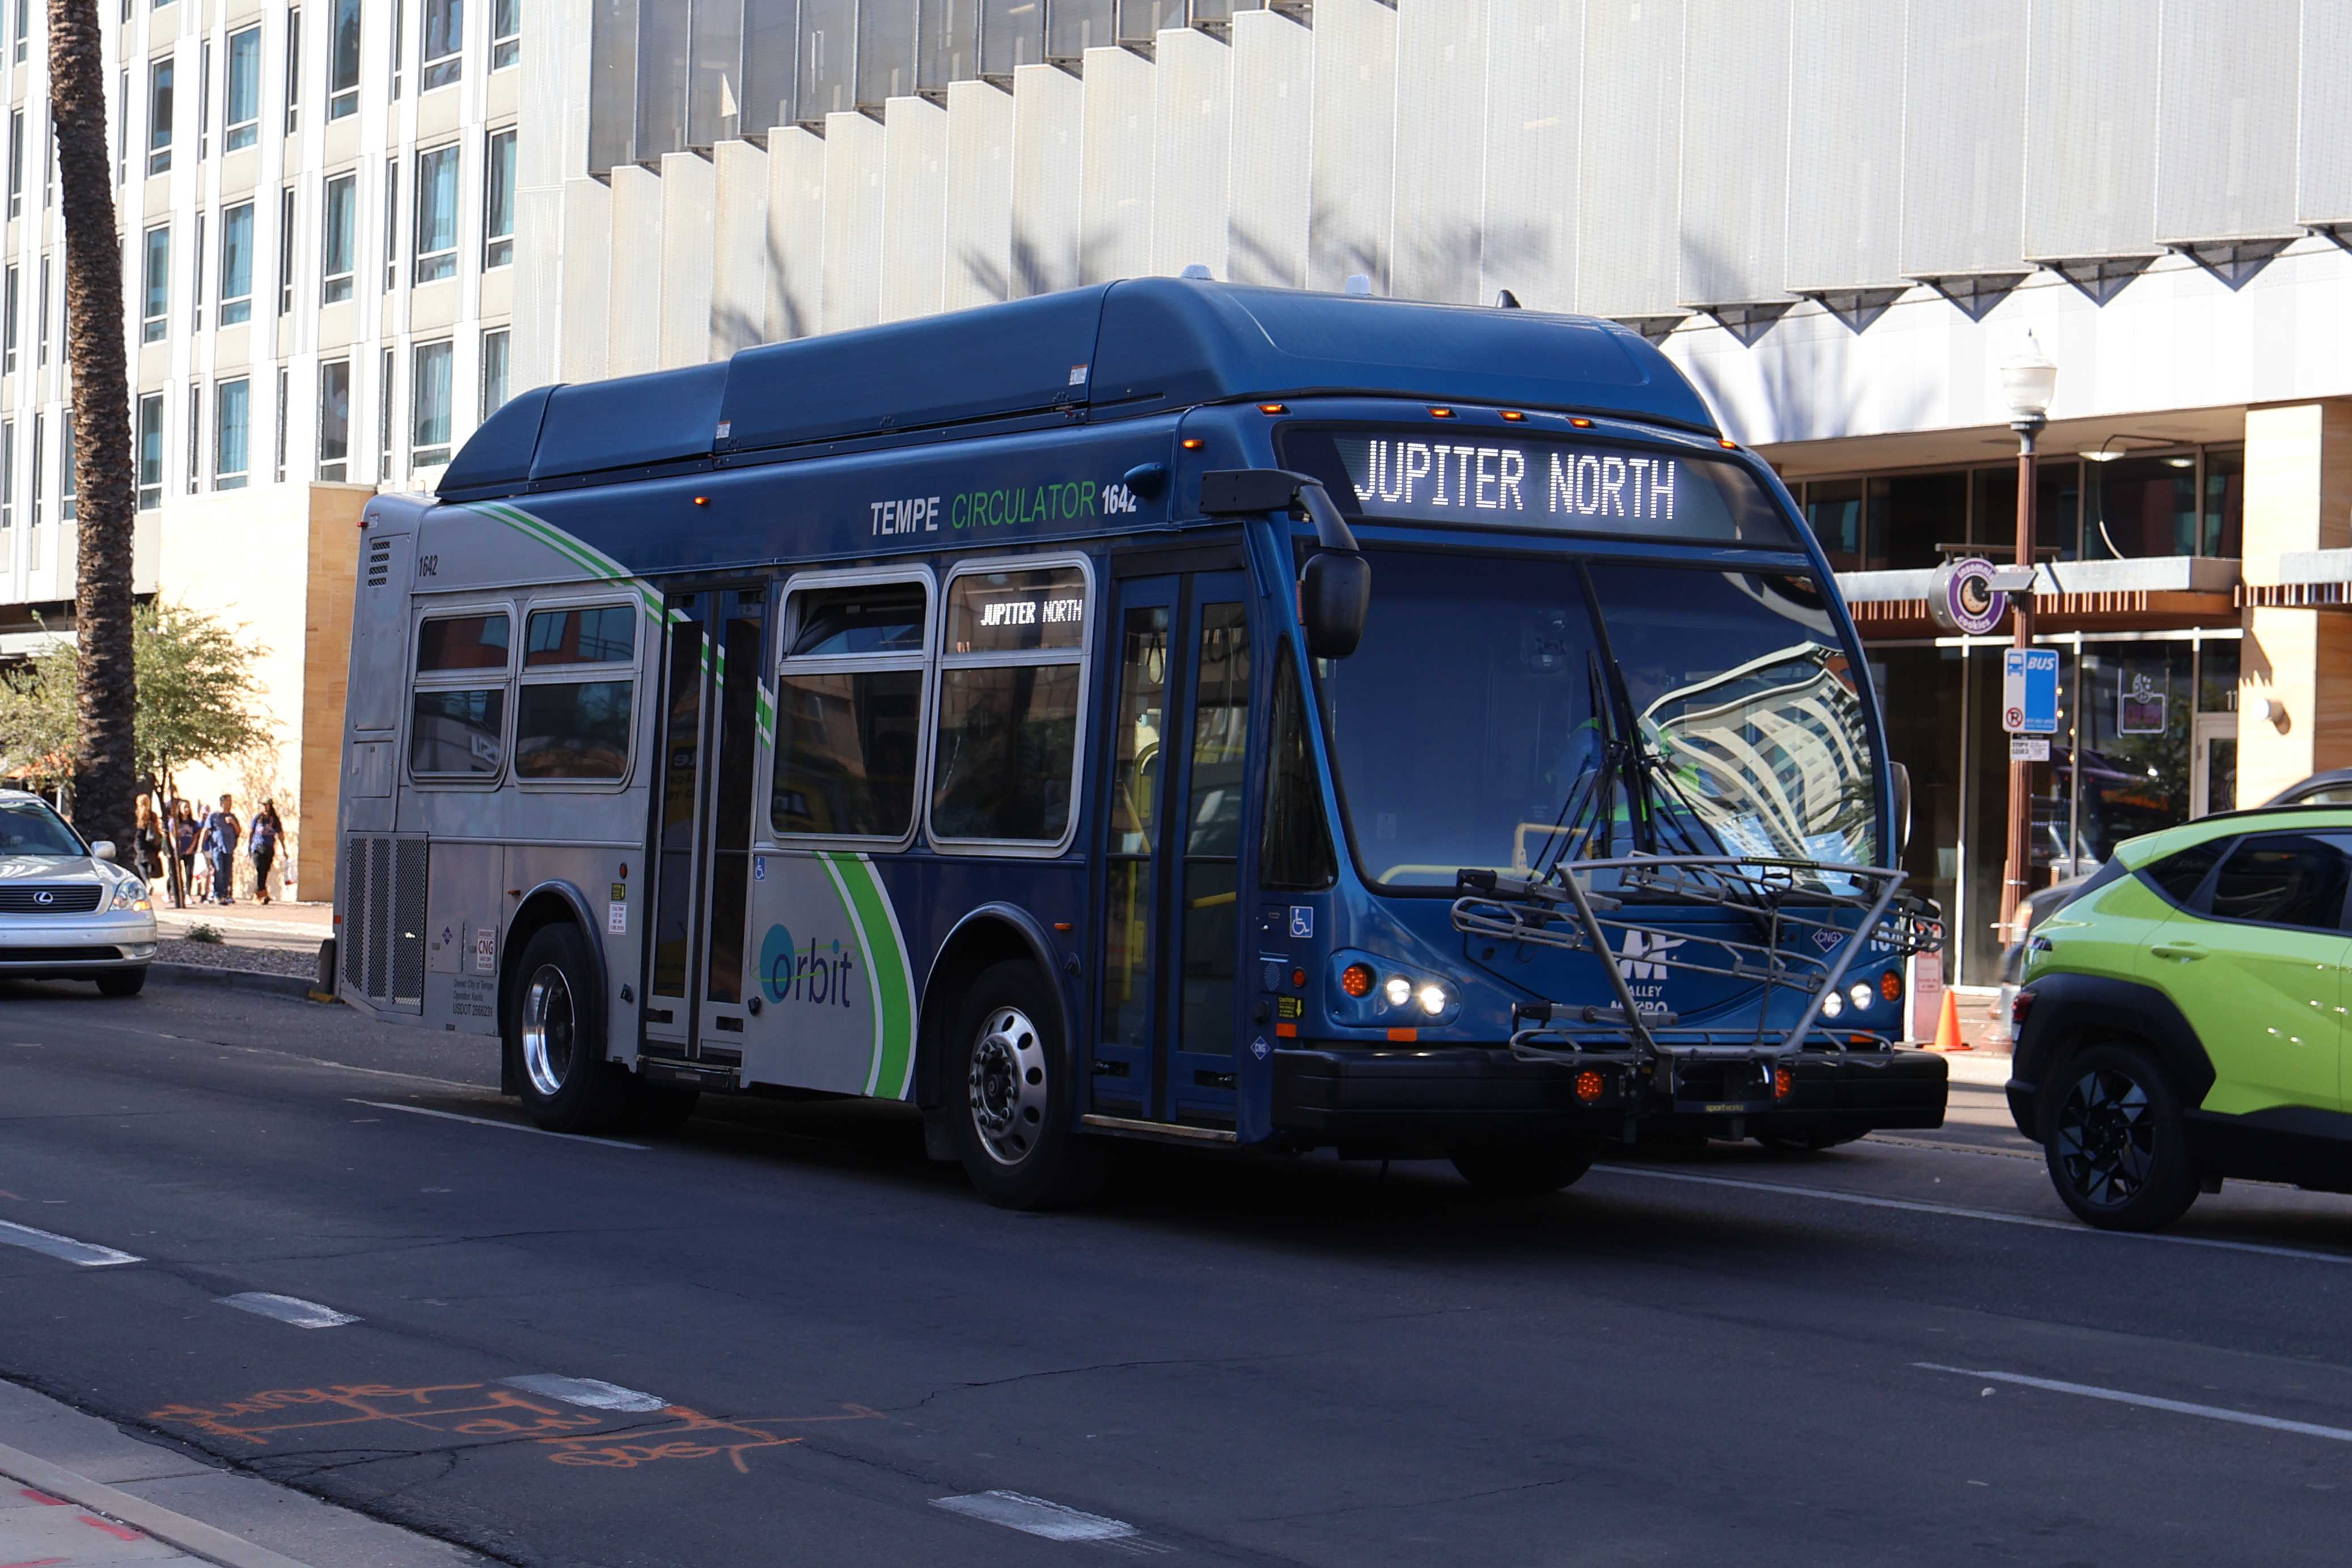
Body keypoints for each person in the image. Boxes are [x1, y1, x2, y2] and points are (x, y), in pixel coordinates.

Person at [202, 794, 241, 905]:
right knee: (218, 870)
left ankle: (224, 895)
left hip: (229, 848)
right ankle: (217, 894)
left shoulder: (233, 817)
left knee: (227, 873)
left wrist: (233, 823)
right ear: (222, 803)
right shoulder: (214, 816)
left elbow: (238, 832)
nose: (229, 803)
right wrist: (201, 846)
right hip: (217, 848)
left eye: (230, 801)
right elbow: (206, 830)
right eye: (226, 801)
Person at [248, 799, 282, 905]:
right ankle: (261, 894)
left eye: (265, 805)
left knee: (265, 871)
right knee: (260, 869)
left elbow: (280, 834)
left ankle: (262, 893)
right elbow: (251, 832)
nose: (263, 808)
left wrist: (285, 850)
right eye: (262, 805)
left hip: (269, 847)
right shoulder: (258, 819)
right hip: (258, 848)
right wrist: (248, 846)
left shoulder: (274, 820)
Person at [133, 797, 166, 897]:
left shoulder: (137, 813)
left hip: (141, 842)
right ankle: (146, 884)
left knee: (139, 863)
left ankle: (147, 883)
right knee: (147, 862)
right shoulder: (153, 815)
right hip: (151, 843)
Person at [171, 800, 200, 907]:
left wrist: (191, 847)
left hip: (189, 851)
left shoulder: (193, 823)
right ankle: (172, 892)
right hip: (178, 850)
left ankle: (188, 894)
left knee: (189, 873)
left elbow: (196, 835)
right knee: (175, 871)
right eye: (185, 807)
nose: (187, 809)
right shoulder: (175, 822)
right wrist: (176, 846)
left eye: (188, 807)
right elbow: (172, 834)